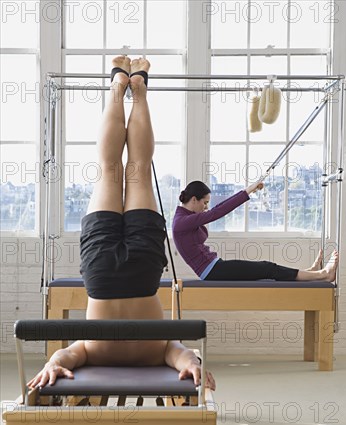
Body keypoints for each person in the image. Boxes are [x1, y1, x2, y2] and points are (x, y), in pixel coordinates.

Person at [28, 57, 215, 391]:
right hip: (106, 273)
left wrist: (52, 366)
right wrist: (192, 364)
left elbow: (63, 356)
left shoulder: (112, 352)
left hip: (137, 271)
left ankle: (136, 88)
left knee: (137, 169)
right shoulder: (107, 352)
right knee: (113, 169)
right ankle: (120, 85)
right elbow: (182, 353)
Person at [172, 180, 338, 282]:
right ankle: (323, 275)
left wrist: (247, 191)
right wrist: (248, 190)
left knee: (267, 268)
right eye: (205, 202)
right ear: (194, 199)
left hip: (214, 267)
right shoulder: (182, 222)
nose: (206, 207)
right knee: (267, 268)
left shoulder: (185, 218)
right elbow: (218, 212)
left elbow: (216, 210)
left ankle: (308, 273)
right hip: (211, 271)